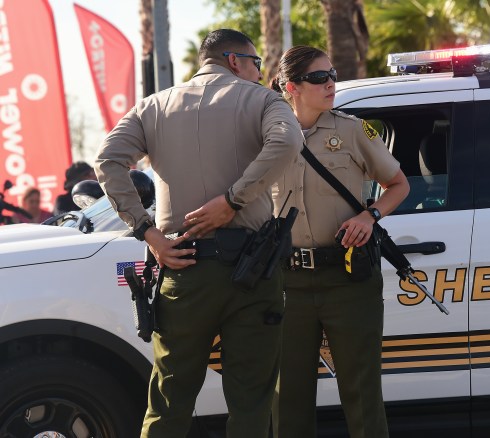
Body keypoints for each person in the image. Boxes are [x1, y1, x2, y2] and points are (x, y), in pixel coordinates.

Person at [95, 29, 303, 438]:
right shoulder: (262, 100)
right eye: (256, 63)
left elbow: (107, 162)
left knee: (170, 399)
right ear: (234, 60)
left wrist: (149, 234)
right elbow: (288, 140)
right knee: (252, 400)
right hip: (252, 270)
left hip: (183, 267)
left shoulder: (153, 106)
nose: (259, 73)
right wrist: (234, 201)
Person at [270, 46, 410, 438]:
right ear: (291, 87)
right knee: (288, 397)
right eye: (319, 78)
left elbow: (398, 184)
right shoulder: (268, 136)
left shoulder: (352, 130)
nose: (330, 83)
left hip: (348, 279)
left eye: (332, 75)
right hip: (288, 282)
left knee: (362, 394)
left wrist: (371, 215)